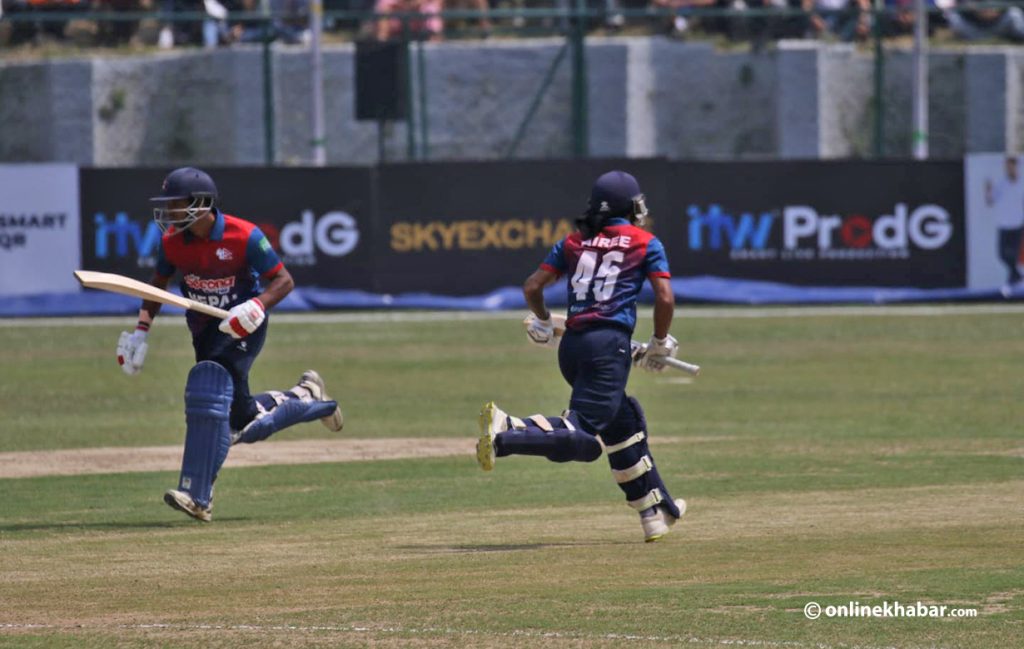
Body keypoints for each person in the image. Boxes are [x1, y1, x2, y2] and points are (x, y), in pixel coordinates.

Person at [116, 167, 344, 523]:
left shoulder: (245, 236)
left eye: (176, 204)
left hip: (244, 325)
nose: (169, 213)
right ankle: (309, 398)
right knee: (243, 422)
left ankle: (198, 495)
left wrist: (258, 304)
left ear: (201, 203)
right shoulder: (172, 242)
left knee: (208, 392)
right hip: (205, 329)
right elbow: (156, 285)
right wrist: (141, 331)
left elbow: (283, 281)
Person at [475, 170, 687, 543]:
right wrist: (659, 341)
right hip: (608, 347)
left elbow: (532, 287)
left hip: (573, 346)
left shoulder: (574, 241)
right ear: (631, 207)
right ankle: (508, 430)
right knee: (584, 440)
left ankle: (653, 512)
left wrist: (543, 321)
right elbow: (665, 298)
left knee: (624, 424)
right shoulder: (645, 241)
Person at [985, 155, 1024, 287]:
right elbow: (991, 201)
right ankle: (1016, 275)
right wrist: (988, 190)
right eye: (1006, 167)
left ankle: (1013, 277)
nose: (1008, 169)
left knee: (1013, 253)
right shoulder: (1002, 184)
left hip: (1017, 224)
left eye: (1010, 167)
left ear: (1015, 167)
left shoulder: (1021, 183)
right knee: (1002, 254)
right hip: (1003, 224)